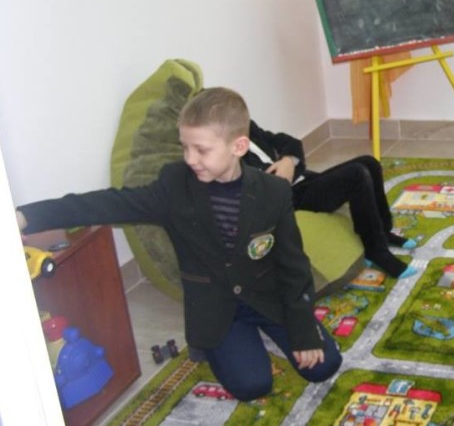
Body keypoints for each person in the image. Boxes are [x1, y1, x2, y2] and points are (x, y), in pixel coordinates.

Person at [15, 87, 342, 401]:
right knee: (254, 384)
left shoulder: (273, 191)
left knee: (324, 365)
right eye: (185, 147)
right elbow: (106, 203)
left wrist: (303, 331)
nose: (190, 158)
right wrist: (27, 216)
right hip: (216, 308)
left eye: (201, 150)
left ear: (239, 146)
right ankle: (214, 346)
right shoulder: (174, 186)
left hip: (267, 297)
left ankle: (268, 339)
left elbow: (293, 265)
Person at [243, 121, 417, 278]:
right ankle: (375, 250)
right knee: (356, 174)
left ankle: (383, 231)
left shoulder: (248, 127)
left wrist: (288, 160)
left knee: (369, 162)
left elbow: (290, 142)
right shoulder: (234, 159)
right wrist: (286, 173)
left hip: (304, 179)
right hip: (292, 196)